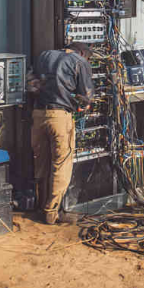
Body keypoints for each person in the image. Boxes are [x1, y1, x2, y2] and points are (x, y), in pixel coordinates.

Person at [30, 42, 94, 225]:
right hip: (59, 118)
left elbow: (32, 83)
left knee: (40, 162)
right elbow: (86, 97)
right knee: (61, 165)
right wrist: (83, 105)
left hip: (37, 115)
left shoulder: (44, 55)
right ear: (82, 52)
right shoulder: (79, 61)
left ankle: (39, 205)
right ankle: (51, 213)